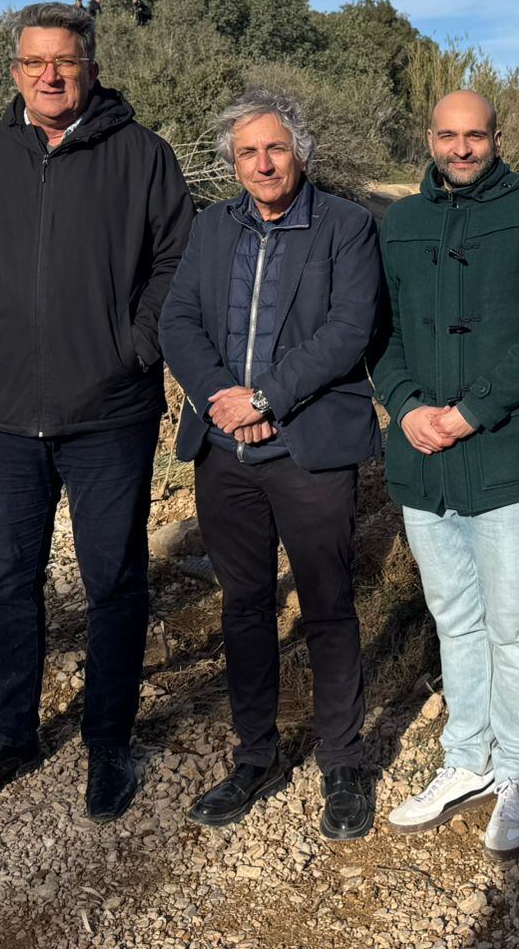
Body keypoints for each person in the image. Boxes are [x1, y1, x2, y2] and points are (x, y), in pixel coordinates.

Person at [0, 2, 192, 822]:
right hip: (1, 417)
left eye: (65, 62)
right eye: (35, 63)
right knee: (9, 582)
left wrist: (134, 349)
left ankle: (109, 740)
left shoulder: (142, 156)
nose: (50, 75)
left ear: (91, 69)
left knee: (113, 582)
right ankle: (11, 736)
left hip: (110, 412)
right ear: (15, 73)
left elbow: (179, 263)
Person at [160, 90, 384, 840]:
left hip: (308, 450)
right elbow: (178, 320)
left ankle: (344, 762)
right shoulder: (212, 226)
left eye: (276, 148)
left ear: (301, 153)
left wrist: (264, 398)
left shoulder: (347, 226)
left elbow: (351, 328)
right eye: (248, 151)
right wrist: (222, 398)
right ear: (232, 162)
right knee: (245, 606)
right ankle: (255, 755)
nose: (262, 162)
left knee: (326, 605)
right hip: (224, 453)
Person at [373, 91, 519, 856]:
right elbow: (379, 329)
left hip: (504, 457)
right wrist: (405, 404)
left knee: (514, 623)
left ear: (496, 138)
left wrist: (471, 411)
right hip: (423, 460)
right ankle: (467, 758)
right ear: (429, 138)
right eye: (448, 136)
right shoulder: (402, 221)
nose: (461, 149)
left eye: (475, 136)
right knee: (453, 616)